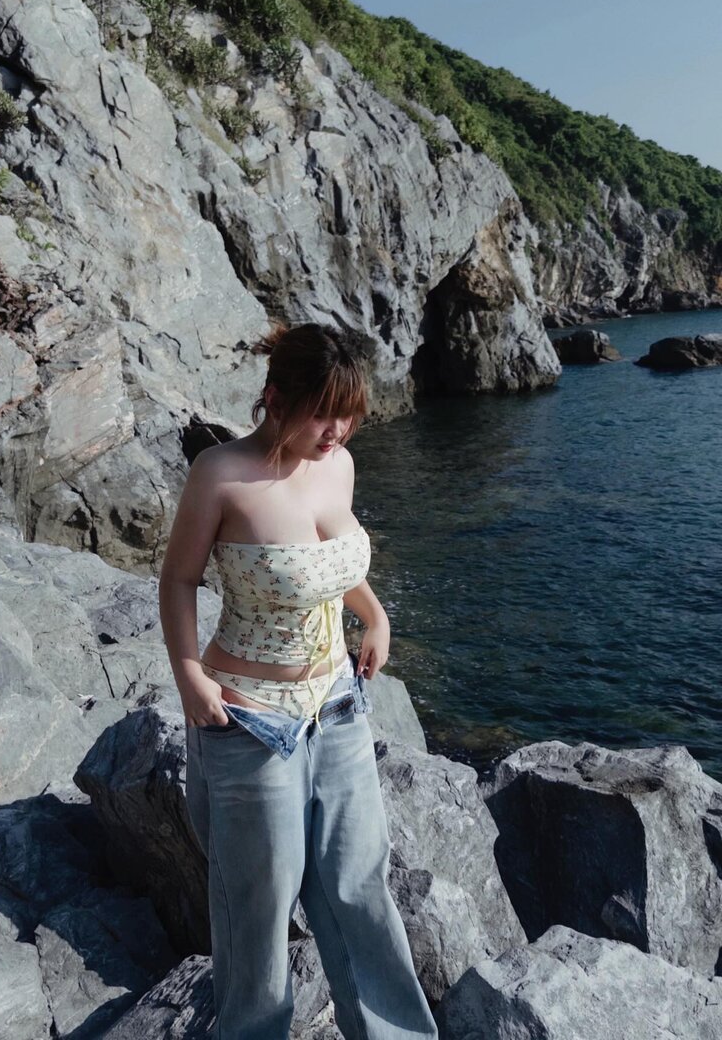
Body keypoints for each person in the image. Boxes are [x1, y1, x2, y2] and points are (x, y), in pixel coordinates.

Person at [158, 321, 439, 1040]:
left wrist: (374, 616)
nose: (337, 430)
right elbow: (179, 579)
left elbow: (331, 563)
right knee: (258, 907)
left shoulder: (338, 465)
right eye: (323, 412)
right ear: (276, 398)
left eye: (349, 414)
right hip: (248, 718)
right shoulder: (220, 473)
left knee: (359, 886)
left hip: (339, 703)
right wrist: (189, 675)